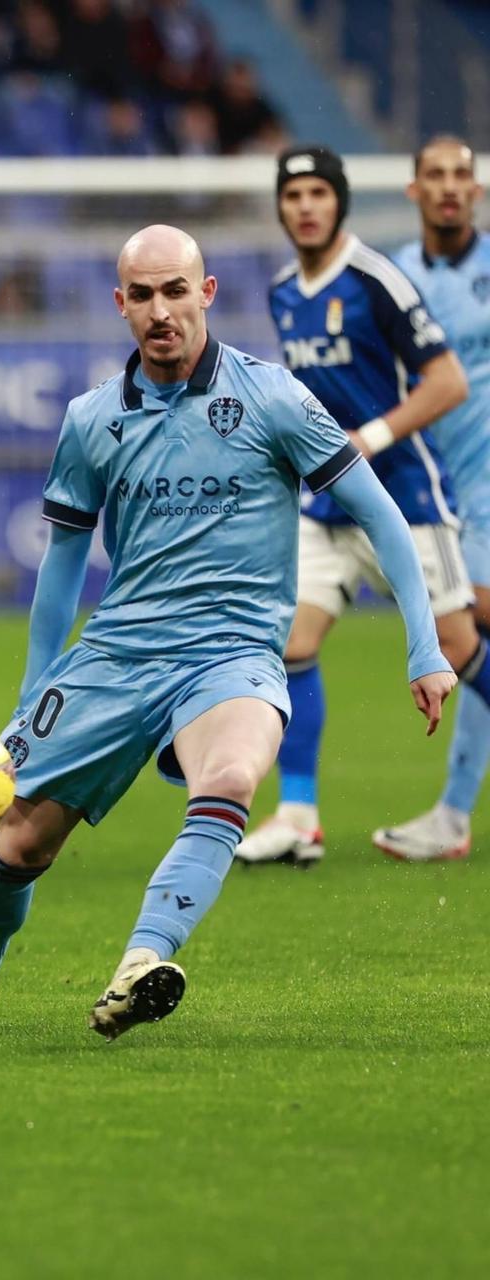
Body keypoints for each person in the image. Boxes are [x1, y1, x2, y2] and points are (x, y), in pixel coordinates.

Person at [0, 226, 453, 1041]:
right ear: (120, 304)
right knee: (19, 843)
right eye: (143, 295)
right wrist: (34, 692)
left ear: (207, 293)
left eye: (176, 291)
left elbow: (380, 513)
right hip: (118, 655)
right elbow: (61, 568)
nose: (162, 311)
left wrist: (423, 645)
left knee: (227, 777)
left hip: (233, 654)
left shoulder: (275, 398)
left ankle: (140, 965)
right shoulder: (91, 420)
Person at [237, 146, 475, 867]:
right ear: (280, 206)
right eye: (293, 194)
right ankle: (299, 817)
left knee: (461, 651)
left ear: (339, 201)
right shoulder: (283, 290)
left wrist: (366, 438)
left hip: (403, 496)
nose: (305, 205)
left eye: (318, 192)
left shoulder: (376, 277)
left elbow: (448, 382)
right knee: (291, 646)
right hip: (327, 505)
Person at [376, 136, 490, 861]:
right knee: (473, 637)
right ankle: (452, 813)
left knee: (471, 625)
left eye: (461, 175)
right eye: (435, 176)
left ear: (475, 190)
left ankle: (452, 813)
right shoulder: (392, 277)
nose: (450, 187)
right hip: (431, 488)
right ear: (415, 190)